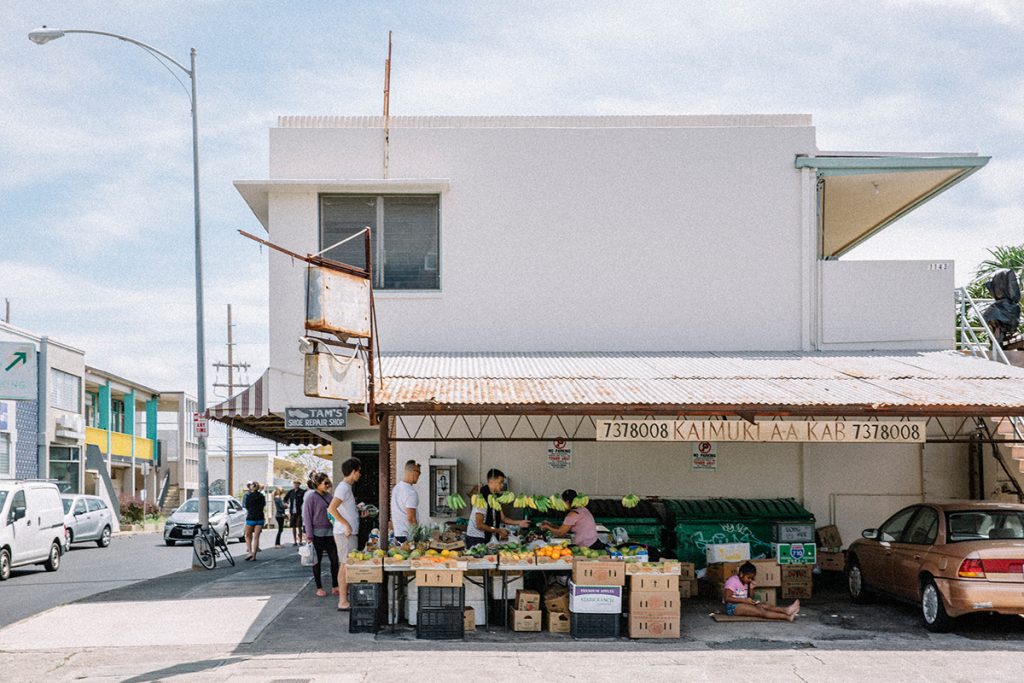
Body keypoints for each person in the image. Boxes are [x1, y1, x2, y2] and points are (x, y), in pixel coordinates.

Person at [328, 457, 369, 611]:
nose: (360, 474)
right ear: (353, 472)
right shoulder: (343, 488)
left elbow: (343, 509)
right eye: (359, 471)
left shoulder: (346, 488)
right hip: (344, 534)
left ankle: (344, 599)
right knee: (345, 566)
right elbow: (331, 509)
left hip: (347, 533)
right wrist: (346, 524)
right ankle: (343, 602)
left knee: (345, 565)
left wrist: (357, 512)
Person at [465, 468, 529, 548]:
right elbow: (479, 525)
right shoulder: (481, 499)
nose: (502, 485)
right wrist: (498, 530)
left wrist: (519, 522)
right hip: (476, 539)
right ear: (491, 481)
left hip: (487, 537)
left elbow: (503, 518)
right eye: (500, 482)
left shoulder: (495, 498)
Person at [302, 471, 339, 598]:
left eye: (329, 482)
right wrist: (309, 536)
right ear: (317, 484)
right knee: (316, 561)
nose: (328, 485)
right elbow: (307, 517)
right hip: (316, 534)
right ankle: (319, 587)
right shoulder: (310, 498)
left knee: (334, 560)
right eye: (325, 483)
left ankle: (335, 586)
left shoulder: (329, 496)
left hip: (331, 533)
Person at [722, 561, 800, 621]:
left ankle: (786, 610)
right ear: (741, 574)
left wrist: (751, 588)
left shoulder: (746, 582)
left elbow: (750, 597)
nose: (750, 580)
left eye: (752, 578)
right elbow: (727, 598)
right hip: (732, 607)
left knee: (765, 605)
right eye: (748, 578)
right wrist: (744, 600)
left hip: (743, 603)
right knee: (761, 611)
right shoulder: (732, 581)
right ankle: (787, 617)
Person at [539, 489, 604, 549]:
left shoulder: (572, 515)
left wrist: (547, 527)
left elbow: (560, 533)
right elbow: (565, 528)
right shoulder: (583, 509)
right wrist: (550, 525)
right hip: (593, 542)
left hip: (589, 546)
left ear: (567, 502)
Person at [391, 460, 421, 543]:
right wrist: (417, 536)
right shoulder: (410, 492)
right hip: (408, 535)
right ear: (413, 472)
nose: (419, 476)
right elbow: (411, 518)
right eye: (419, 473)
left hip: (398, 532)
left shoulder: (396, 488)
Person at [243, 481, 266, 561]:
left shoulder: (249, 496)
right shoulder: (262, 496)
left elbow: (247, 506)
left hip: (251, 517)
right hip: (260, 518)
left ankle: (249, 552)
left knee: (248, 536)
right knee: (256, 537)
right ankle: (254, 555)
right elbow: (263, 505)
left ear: (252, 487)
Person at [283, 480, 305, 546]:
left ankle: (300, 541)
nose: (295, 485)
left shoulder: (302, 492)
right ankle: (295, 541)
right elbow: (285, 499)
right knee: (293, 526)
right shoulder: (291, 492)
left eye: (297, 484)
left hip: (299, 512)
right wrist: (286, 503)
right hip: (292, 512)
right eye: (294, 483)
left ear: (299, 484)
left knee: (299, 526)